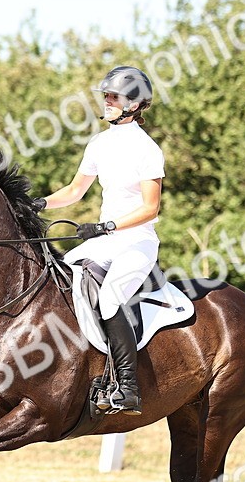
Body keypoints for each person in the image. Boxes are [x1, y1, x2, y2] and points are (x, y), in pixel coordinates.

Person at [30, 65, 164, 415]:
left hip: (136, 242)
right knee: (57, 277)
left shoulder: (148, 150)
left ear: (133, 104)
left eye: (113, 96)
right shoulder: (100, 143)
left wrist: (107, 226)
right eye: (106, 94)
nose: (106, 100)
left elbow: (151, 208)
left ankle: (128, 386)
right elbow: (76, 190)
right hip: (105, 240)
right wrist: (41, 202)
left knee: (108, 299)